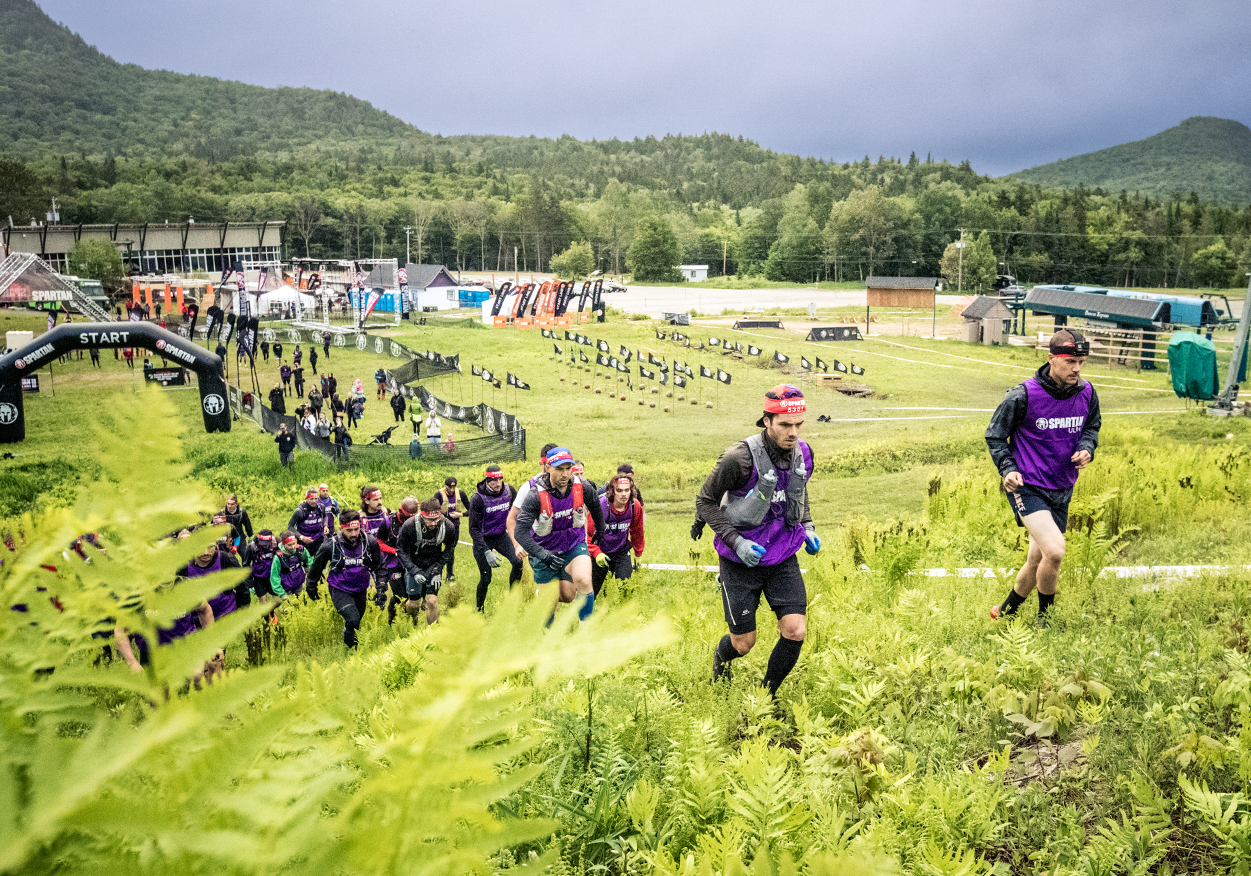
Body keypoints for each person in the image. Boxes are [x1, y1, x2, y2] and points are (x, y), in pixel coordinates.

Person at [696, 385, 819, 698]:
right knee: (744, 644)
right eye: (784, 425)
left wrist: (808, 526)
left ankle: (767, 696)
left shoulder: (804, 453)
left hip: (782, 555)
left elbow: (798, 492)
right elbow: (705, 502)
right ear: (767, 421)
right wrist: (737, 543)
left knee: (795, 631)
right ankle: (721, 659)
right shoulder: (738, 459)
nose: (793, 433)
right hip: (739, 562)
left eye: (798, 425)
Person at [986, 329, 1100, 625]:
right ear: (1052, 359)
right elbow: (995, 436)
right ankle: (1045, 620)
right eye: (1070, 361)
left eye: (1081, 362)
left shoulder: (1086, 393)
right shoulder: (1022, 395)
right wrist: (1007, 469)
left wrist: (1087, 448)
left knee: (1037, 559)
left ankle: (1005, 613)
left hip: (1063, 486)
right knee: (1055, 551)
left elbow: (1092, 427)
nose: (1076, 368)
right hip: (1028, 485)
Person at [513, 447, 605, 622]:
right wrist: (542, 554)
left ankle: (584, 633)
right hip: (544, 550)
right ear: (548, 468)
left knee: (584, 580)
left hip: (574, 544)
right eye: (559, 469)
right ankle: (549, 637)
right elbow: (520, 532)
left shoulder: (582, 487)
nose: (565, 474)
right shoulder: (535, 495)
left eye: (568, 469)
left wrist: (601, 530)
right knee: (558, 598)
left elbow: (595, 505)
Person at [306, 509, 383, 648]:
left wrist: (381, 588)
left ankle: (350, 644)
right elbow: (316, 568)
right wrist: (311, 587)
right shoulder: (330, 545)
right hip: (340, 588)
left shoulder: (369, 541)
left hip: (361, 588)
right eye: (349, 530)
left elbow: (380, 566)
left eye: (356, 529)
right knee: (353, 619)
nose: (353, 534)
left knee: (356, 622)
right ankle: (352, 651)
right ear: (341, 529)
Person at [468, 465, 523, 612]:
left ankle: (512, 602)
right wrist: (486, 551)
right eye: (493, 480)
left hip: (500, 535)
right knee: (486, 577)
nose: (497, 483)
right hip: (483, 539)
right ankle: (479, 609)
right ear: (487, 480)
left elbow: (517, 514)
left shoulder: (509, 491)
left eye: (500, 479)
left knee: (518, 561)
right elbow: (473, 529)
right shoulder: (478, 499)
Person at [587, 474, 646, 597]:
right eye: (619, 490)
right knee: (591, 592)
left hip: (621, 551)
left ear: (631, 491)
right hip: (600, 552)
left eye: (627, 490)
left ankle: (622, 613)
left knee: (626, 588)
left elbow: (637, 531)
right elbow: (586, 534)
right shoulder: (601, 506)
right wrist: (596, 553)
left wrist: (638, 553)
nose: (623, 494)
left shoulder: (635, 506)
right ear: (612, 491)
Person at [398, 497, 450, 626]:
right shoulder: (409, 525)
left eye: (436, 520)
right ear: (422, 516)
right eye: (429, 520)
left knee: (432, 601)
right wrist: (414, 571)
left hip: (433, 563)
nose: (433, 523)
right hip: (414, 563)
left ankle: (433, 635)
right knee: (414, 604)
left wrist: (438, 569)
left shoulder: (448, 526)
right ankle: (411, 624)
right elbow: (401, 550)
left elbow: (450, 549)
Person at [360, 485, 402, 609]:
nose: (380, 502)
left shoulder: (387, 513)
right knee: (370, 589)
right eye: (376, 500)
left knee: (385, 588)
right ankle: (371, 612)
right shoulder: (360, 517)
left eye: (380, 498)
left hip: (385, 558)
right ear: (366, 501)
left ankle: (383, 611)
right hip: (368, 558)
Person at [434, 477, 470, 585]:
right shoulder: (439, 495)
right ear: (446, 486)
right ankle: (437, 572)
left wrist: (461, 514)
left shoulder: (461, 494)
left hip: (454, 526)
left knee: (450, 550)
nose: (452, 489)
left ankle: (450, 574)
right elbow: (431, 510)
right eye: (450, 487)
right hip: (441, 526)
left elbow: (472, 509)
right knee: (437, 549)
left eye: (454, 487)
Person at [289, 486, 331, 567]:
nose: (314, 501)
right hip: (304, 541)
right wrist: (301, 537)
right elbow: (290, 526)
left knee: (319, 563)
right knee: (304, 565)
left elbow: (325, 516)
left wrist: (325, 526)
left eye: (315, 499)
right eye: (311, 499)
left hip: (318, 538)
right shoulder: (299, 511)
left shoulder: (321, 507)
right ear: (306, 499)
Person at [269, 531, 311, 597]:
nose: (292, 547)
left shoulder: (301, 550)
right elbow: (274, 576)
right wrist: (282, 594)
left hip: (300, 584)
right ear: (283, 544)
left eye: (294, 543)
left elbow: (310, 563)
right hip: (286, 589)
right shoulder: (278, 557)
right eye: (289, 545)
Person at [244, 529, 280, 598]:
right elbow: (246, 565)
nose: (265, 546)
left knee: (277, 601)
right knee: (264, 604)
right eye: (262, 543)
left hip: (273, 577)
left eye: (267, 543)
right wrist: (250, 583)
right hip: (259, 578)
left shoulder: (277, 543)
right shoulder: (251, 548)